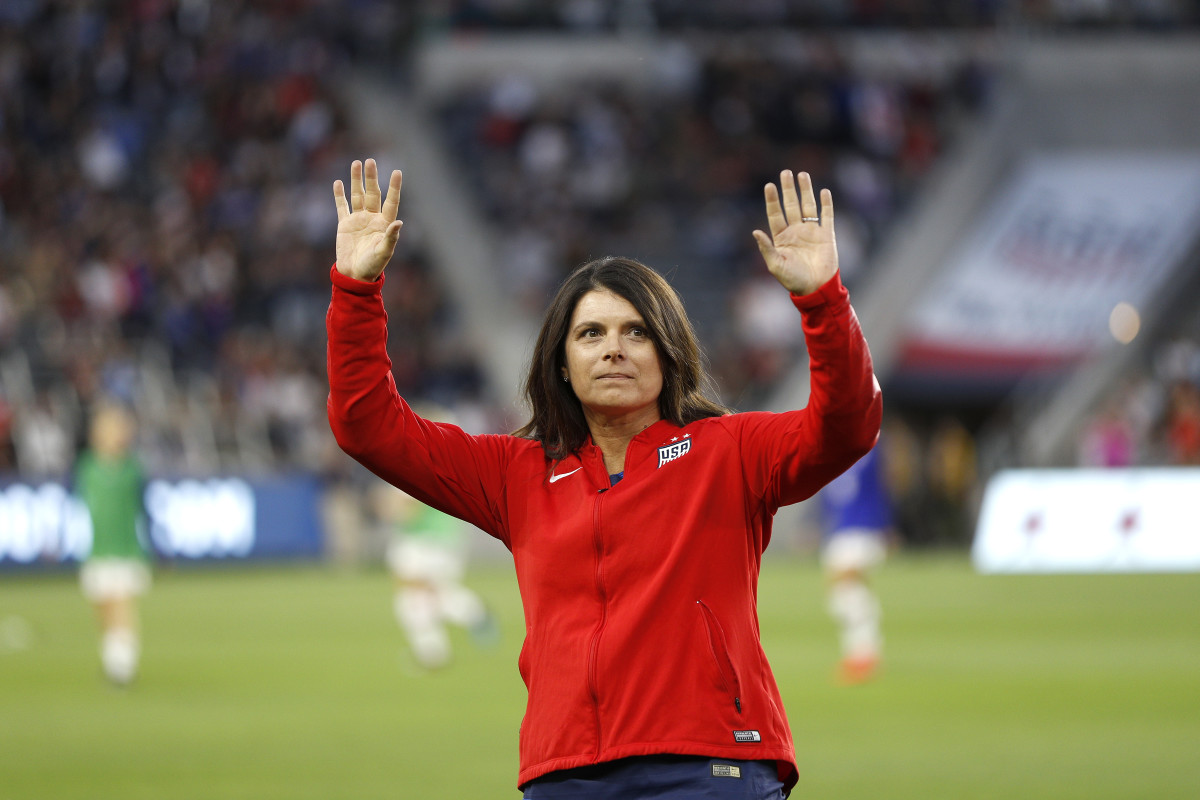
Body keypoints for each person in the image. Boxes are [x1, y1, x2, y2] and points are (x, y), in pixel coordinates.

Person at [327, 159, 881, 798]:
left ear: (668, 352)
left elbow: (848, 426)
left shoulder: (729, 452)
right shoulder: (517, 473)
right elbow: (367, 427)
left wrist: (823, 300)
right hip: (565, 773)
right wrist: (356, 291)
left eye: (636, 332)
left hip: (711, 766)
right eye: (590, 333)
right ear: (561, 361)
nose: (613, 348)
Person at [371, 475, 498, 670]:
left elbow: (408, 510)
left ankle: (433, 651)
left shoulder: (405, 464)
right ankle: (473, 615)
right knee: (432, 594)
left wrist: (386, 509)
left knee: (413, 595)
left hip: (427, 542)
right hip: (444, 539)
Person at [73, 403, 150, 686]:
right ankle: (113, 659)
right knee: (104, 609)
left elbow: (144, 509)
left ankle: (122, 665)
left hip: (125, 548)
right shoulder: (88, 467)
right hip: (97, 549)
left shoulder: (131, 469)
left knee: (122, 606)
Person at [817, 441, 893, 685]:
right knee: (842, 594)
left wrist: (887, 524)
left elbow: (882, 486)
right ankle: (861, 652)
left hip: (864, 529)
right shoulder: (831, 453)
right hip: (840, 532)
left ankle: (865, 653)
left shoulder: (870, 449)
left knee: (847, 585)